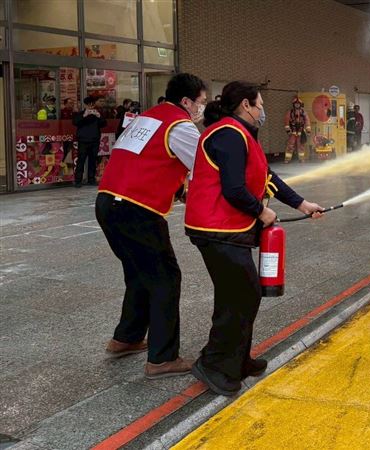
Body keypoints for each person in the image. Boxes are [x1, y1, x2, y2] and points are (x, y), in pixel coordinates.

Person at [185, 81, 323, 396]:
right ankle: (214, 364)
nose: (262, 112)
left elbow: (267, 178)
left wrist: (302, 204)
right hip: (216, 229)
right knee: (241, 295)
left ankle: (237, 360)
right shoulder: (228, 134)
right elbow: (233, 188)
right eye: (260, 105)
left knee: (241, 294)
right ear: (246, 105)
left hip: (229, 230)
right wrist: (261, 213)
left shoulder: (242, 136)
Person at [95, 73, 208, 379]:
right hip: (137, 210)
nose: (201, 109)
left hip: (107, 203)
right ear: (186, 101)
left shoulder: (147, 118)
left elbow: (146, 161)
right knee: (165, 278)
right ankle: (162, 358)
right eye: (201, 102)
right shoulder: (180, 125)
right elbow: (206, 166)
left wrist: (178, 190)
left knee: (138, 272)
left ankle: (126, 338)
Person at [72, 96, 107, 187]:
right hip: (83, 140)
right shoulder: (80, 114)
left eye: (92, 106)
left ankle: (91, 179)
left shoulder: (97, 114)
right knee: (81, 160)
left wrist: (99, 116)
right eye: (89, 106)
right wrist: (84, 115)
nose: (91, 108)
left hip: (94, 140)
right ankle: (78, 180)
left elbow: (104, 124)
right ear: (86, 105)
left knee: (92, 160)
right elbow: (75, 122)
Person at [283, 96, 310, 163]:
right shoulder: (290, 112)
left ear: (300, 104)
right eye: (296, 104)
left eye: (298, 104)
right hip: (293, 132)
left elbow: (307, 121)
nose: (297, 105)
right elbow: (286, 120)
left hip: (301, 131)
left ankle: (301, 159)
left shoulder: (303, 112)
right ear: (293, 104)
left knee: (301, 146)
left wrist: (308, 130)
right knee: (290, 145)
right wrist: (288, 130)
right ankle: (287, 159)